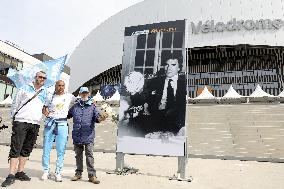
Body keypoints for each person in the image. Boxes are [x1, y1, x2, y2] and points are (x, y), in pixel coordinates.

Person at [1, 71, 48, 187]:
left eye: (44, 78)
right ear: (35, 77)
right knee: (16, 147)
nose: (42, 79)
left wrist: (50, 113)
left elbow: (43, 108)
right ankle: (11, 174)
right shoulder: (24, 88)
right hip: (21, 121)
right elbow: (15, 104)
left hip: (35, 123)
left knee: (27, 149)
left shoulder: (45, 92)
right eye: (40, 77)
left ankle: (20, 172)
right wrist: (14, 119)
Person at [67, 87, 108, 184]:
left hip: (88, 135)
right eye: (83, 93)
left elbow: (97, 119)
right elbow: (66, 115)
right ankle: (78, 174)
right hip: (77, 134)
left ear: (88, 94)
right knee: (78, 155)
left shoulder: (92, 107)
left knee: (89, 155)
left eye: (86, 93)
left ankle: (92, 175)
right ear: (80, 94)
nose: (84, 94)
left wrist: (102, 118)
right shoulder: (75, 106)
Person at [41, 80, 77, 182]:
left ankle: (58, 172)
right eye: (59, 85)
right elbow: (44, 108)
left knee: (61, 150)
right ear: (56, 86)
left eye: (62, 85)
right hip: (50, 124)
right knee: (46, 148)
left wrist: (92, 102)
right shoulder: (50, 96)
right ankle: (46, 171)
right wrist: (47, 115)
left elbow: (80, 100)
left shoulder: (69, 96)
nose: (61, 87)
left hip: (62, 124)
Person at [145, 58, 186, 135]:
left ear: (179, 68)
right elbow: (147, 99)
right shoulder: (155, 81)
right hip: (156, 116)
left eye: (173, 65)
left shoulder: (185, 83)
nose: (169, 68)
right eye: (166, 65)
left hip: (176, 118)